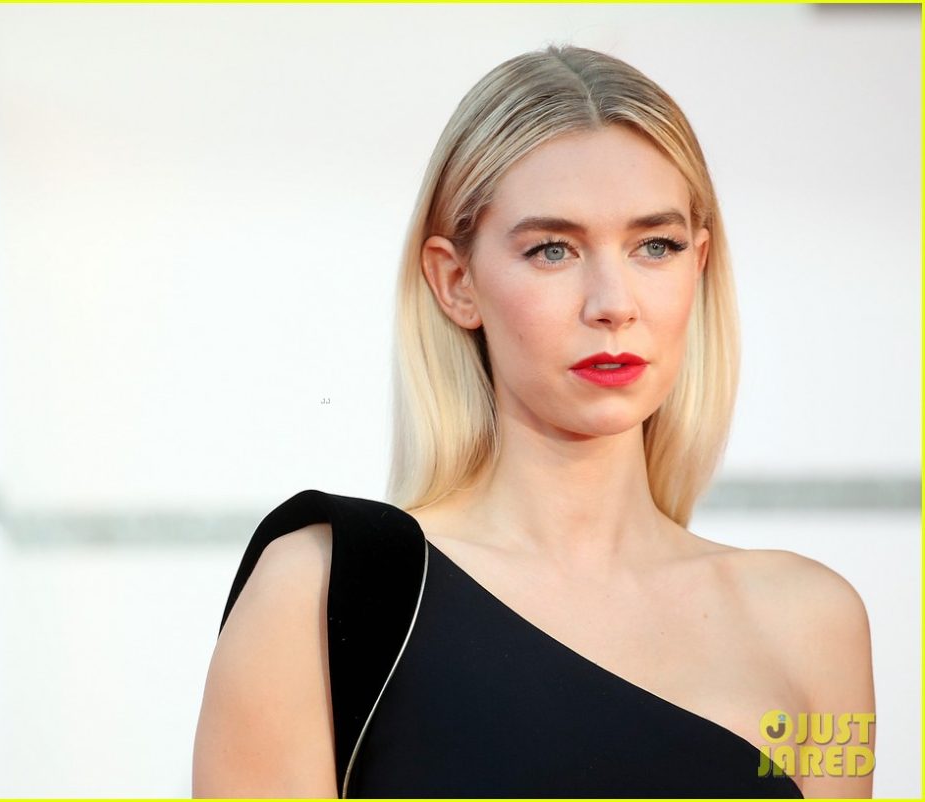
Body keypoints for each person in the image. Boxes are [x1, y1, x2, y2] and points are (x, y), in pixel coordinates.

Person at [192, 44, 876, 798]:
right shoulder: (320, 590)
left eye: (656, 246)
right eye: (553, 250)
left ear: (700, 262)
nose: (613, 303)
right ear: (456, 282)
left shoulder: (814, 624)